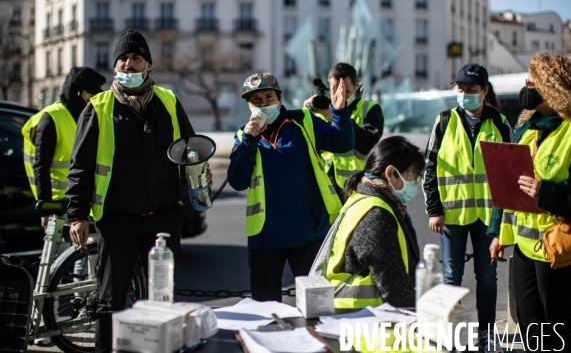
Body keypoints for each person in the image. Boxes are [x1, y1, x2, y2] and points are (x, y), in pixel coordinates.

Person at [65, 29, 208, 353]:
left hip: (164, 219)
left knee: (161, 300)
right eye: (123, 58)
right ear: (115, 65)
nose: (129, 63)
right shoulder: (98, 107)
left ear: (148, 65)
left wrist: (199, 191)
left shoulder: (168, 101)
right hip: (118, 222)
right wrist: (77, 215)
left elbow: (191, 151)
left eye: (136, 57)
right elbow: (81, 167)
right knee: (110, 303)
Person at [488, 53, 571, 353]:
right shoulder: (527, 129)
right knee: (528, 321)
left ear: (553, 86)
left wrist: (546, 192)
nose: (526, 87)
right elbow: (509, 187)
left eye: (531, 82)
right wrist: (499, 232)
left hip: (558, 247)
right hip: (525, 247)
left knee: (556, 326)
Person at [227, 72, 354, 302]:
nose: (263, 103)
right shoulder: (243, 136)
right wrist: (249, 140)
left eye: (269, 96)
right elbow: (237, 181)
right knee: (265, 310)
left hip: (309, 234)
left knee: (316, 306)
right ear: (248, 105)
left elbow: (343, 143)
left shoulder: (303, 121)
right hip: (265, 238)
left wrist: (339, 112)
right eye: (256, 100)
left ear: (280, 99)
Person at [422, 63, 512, 351]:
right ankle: (451, 334)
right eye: (459, 89)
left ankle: (485, 336)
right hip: (452, 215)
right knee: (451, 277)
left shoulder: (500, 123)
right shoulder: (444, 121)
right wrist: (433, 209)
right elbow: (429, 168)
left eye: (470, 90)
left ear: (484, 92)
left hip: (488, 217)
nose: (463, 94)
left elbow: (510, 174)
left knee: (487, 277)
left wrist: (505, 222)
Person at [324, 136, 423, 308]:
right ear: (391, 173)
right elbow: (394, 288)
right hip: (371, 321)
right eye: (413, 176)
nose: (415, 183)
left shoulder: (361, 197)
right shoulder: (377, 215)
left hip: (356, 315)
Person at [22, 67, 106, 227]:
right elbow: (41, 166)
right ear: (77, 92)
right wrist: (46, 208)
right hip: (59, 207)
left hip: (81, 202)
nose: (94, 97)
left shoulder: (86, 116)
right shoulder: (52, 117)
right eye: (91, 93)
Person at [304, 63, 384, 201]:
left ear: (357, 85)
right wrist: (306, 112)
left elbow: (368, 144)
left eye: (345, 91)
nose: (339, 95)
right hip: (323, 185)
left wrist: (338, 117)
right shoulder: (320, 108)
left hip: (357, 185)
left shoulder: (370, 109)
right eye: (335, 90)